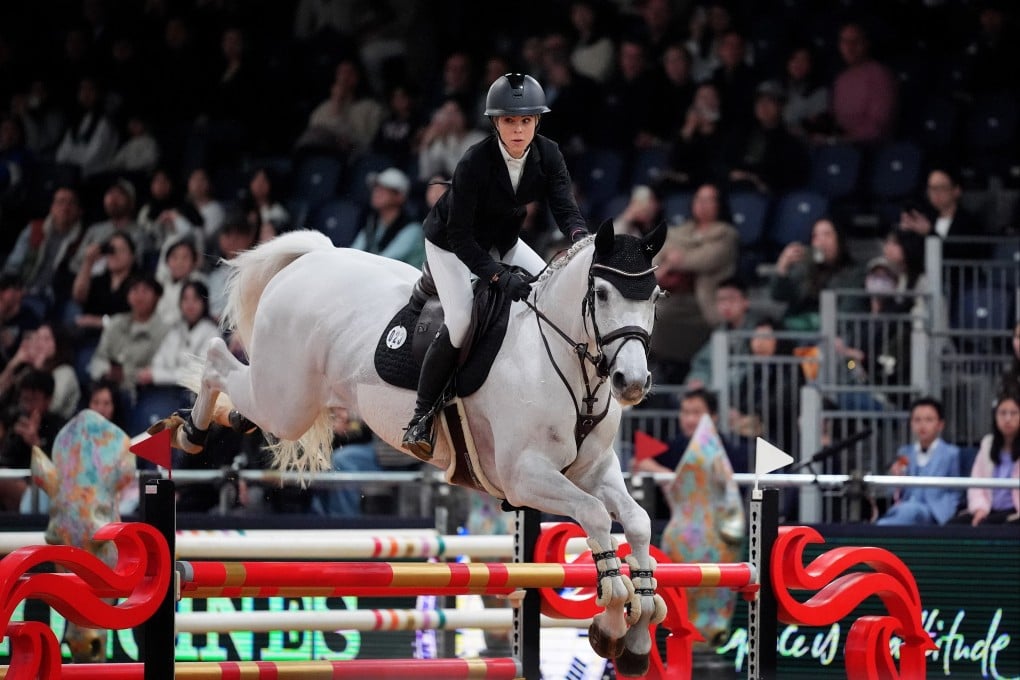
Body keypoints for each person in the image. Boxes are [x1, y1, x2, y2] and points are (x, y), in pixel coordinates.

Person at [401, 73, 589, 459]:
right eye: (508, 121)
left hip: (503, 240)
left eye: (525, 121)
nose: (517, 130)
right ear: (495, 123)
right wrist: (498, 276)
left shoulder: (549, 154)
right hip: (451, 245)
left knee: (545, 294)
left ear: (536, 122)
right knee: (462, 321)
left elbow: (564, 207)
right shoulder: (475, 161)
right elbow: (460, 238)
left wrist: (580, 240)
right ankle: (420, 417)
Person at [650, 182, 739, 384]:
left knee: (659, 314)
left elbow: (704, 260)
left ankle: (669, 361)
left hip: (703, 302)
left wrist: (677, 259)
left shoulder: (726, 234)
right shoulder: (679, 231)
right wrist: (673, 259)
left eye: (709, 200)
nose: (703, 204)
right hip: (672, 294)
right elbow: (657, 259)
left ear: (719, 205)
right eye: (699, 199)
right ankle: (661, 364)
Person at [632, 387, 747, 519]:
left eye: (697, 413)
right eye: (685, 413)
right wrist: (667, 476)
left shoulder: (727, 450)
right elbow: (638, 461)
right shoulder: (675, 444)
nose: (690, 420)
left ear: (714, 416)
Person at [769, 216, 867, 331]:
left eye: (827, 235)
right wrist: (783, 266)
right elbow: (779, 295)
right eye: (816, 236)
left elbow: (847, 311)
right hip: (797, 332)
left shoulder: (855, 272)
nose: (821, 241)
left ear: (839, 240)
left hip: (830, 335)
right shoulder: (805, 268)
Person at [876, 397, 962, 526]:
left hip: (935, 510)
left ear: (940, 425)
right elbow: (893, 491)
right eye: (917, 420)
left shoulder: (951, 453)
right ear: (911, 424)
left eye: (929, 420)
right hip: (905, 506)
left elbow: (957, 489)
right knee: (906, 510)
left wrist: (947, 508)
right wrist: (896, 477)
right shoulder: (904, 452)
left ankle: (881, 526)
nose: (922, 425)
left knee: (909, 511)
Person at [3, 185, 85, 321]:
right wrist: (12, 288)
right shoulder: (35, 229)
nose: (65, 207)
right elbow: (13, 264)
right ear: (52, 207)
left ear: (79, 211)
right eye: (60, 202)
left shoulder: (83, 239)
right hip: (25, 287)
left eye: (71, 203)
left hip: (59, 295)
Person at [0, 369, 67, 511]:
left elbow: (59, 471)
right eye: (25, 400)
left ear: (48, 400)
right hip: (17, 483)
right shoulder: (15, 420)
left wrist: (35, 443)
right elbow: (5, 462)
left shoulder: (59, 427)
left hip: (46, 492)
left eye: (33, 400)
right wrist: (15, 439)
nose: (28, 406)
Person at [949, 391, 1020, 526]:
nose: (1008, 418)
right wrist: (979, 509)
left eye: (1013, 413)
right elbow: (976, 482)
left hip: (1015, 511)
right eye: (1003, 413)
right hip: (987, 508)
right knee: (952, 526)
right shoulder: (987, 444)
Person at [829, 21, 898, 145]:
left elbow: (877, 128)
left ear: (866, 43)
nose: (850, 47)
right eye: (845, 42)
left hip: (871, 149)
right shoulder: (840, 80)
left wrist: (840, 140)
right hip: (841, 146)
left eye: (855, 41)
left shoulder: (879, 75)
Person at [685, 276, 758, 390]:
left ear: (745, 301)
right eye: (721, 300)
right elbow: (703, 363)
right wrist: (698, 379)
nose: (726, 305)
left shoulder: (759, 330)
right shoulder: (720, 332)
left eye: (731, 299)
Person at [0, 323, 81, 421]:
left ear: (58, 343)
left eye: (46, 339)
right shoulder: (28, 369)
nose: (40, 343)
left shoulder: (65, 372)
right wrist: (15, 362)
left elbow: (50, 407)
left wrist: (38, 368)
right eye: (38, 338)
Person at [349, 167, 425, 268]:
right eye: (376, 188)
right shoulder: (372, 223)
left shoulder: (413, 229)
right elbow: (352, 253)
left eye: (384, 189)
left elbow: (386, 262)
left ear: (399, 197)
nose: (376, 192)